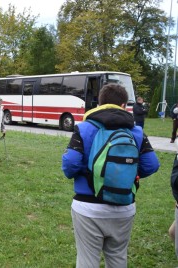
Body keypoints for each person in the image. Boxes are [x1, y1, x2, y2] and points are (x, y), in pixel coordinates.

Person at [62, 83, 160, 267]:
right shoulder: (136, 131)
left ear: (99, 103)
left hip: (87, 207)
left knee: (87, 260)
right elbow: (152, 165)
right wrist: (125, 172)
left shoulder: (83, 129)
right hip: (124, 206)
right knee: (117, 258)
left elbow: (70, 165)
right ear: (124, 105)